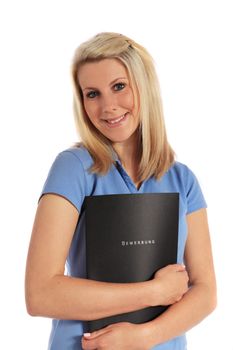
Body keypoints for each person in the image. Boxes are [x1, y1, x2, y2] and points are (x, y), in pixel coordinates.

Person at [25, 32, 217, 350]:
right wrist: (154, 292)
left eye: (118, 86)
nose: (108, 107)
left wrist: (143, 337)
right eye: (92, 94)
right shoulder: (73, 168)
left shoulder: (184, 180)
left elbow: (206, 291)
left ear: (144, 86)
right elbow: (40, 294)